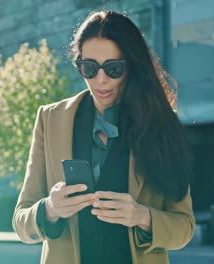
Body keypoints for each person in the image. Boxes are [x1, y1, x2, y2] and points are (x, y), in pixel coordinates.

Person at [12, 10, 195, 264]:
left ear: (132, 66)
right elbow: (21, 222)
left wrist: (142, 216)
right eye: (89, 68)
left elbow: (184, 226)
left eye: (114, 69)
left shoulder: (162, 125)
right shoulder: (50, 119)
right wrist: (50, 209)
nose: (101, 80)